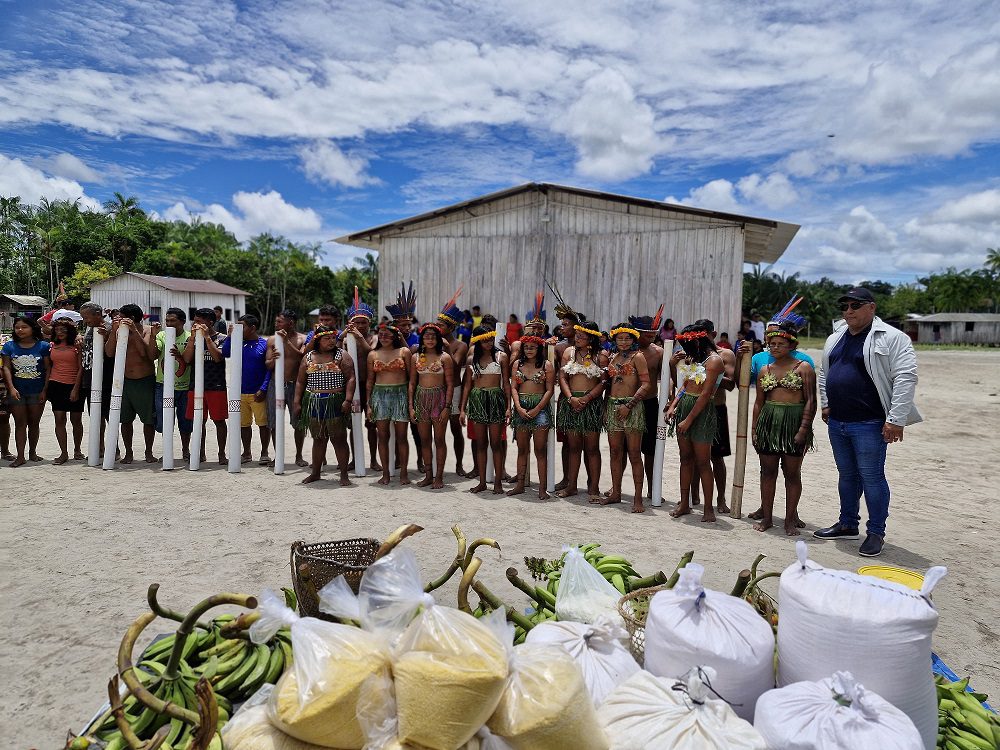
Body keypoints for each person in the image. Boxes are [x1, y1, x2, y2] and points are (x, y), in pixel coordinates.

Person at [815, 287, 921, 557]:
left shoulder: (893, 338)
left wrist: (896, 419)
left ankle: (876, 533)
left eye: (855, 305)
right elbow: (824, 373)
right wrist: (826, 403)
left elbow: (906, 378)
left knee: (872, 476)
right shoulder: (836, 336)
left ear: (871, 307)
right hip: (838, 420)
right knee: (847, 475)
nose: (848, 311)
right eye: (844, 306)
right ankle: (848, 523)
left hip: (870, 422)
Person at [752, 316, 816, 535]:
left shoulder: (804, 368)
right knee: (767, 472)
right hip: (769, 423)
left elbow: (810, 401)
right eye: (772, 344)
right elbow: (759, 402)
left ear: (792, 345)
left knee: (792, 473)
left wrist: (803, 430)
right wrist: (755, 430)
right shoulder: (765, 369)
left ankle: (789, 520)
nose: (775, 347)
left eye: (780, 344)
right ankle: (768, 518)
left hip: (794, 423)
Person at [665, 325, 725, 522]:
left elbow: (706, 394)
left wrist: (688, 419)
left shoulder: (714, 361)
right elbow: (685, 385)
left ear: (698, 342)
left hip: (701, 411)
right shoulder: (694, 358)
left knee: (702, 461)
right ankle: (684, 503)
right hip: (685, 406)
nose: (686, 350)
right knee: (685, 458)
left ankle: (709, 508)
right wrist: (674, 405)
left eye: (688, 345)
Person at [294, 326, 355, 486]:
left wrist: (348, 400)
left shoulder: (342, 355)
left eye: (333, 337)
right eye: (326, 338)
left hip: (335, 400)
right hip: (314, 401)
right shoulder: (308, 357)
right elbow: (301, 381)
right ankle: (315, 473)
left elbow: (350, 378)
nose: (331, 341)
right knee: (318, 439)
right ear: (318, 340)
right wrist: (297, 402)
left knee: (339, 439)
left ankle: (343, 475)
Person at [686, 319, 735, 515]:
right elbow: (683, 384)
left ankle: (721, 499)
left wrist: (710, 373)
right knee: (694, 456)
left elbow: (731, 384)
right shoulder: (692, 353)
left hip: (716, 409)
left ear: (712, 334)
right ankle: (694, 495)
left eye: (702, 335)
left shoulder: (725, 355)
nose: (698, 339)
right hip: (693, 409)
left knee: (716, 457)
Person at [602, 324, 652, 513]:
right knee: (615, 452)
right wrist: (607, 408)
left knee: (633, 454)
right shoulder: (612, 357)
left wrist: (629, 405)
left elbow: (646, 384)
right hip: (613, 405)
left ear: (633, 339)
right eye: (620, 338)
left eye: (627, 338)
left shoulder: (638, 357)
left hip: (632, 407)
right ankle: (616, 493)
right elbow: (609, 385)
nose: (623, 342)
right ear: (615, 340)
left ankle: (638, 499)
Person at [556, 318, 607, 500]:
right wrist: (570, 397)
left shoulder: (601, 355)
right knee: (574, 447)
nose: (577, 339)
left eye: (581, 337)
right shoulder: (568, 352)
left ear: (591, 338)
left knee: (592, 448)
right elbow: (562, 377)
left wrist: (586, 398)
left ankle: (594, 487)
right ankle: (572, 486)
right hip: (571, 402)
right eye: (576, 336)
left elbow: (603, 382)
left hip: (591, 403)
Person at [460, 325, 510, 494]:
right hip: (477, 400)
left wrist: (508, 407)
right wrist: (462, 409)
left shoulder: (501, 356)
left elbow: (507, 383)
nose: (488, 343)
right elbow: (467, 386)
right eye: (484, 340)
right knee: (480, 443)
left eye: (490, 339)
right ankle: (482, 481)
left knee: (496, 443)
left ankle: (497, 482)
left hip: (496, 399)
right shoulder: (471, 359)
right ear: (477, 341)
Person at [106, 304, 157, 464]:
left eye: (121, 316)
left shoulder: (147, 330)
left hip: (144, 380)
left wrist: (134, 332)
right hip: (124, 382)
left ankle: (149, 452)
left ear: (131, 318)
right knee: (125, 420)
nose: (118, 319)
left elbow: (147, 355)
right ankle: (129, 453)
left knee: (148, 420)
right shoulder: (118, 330)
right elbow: (109, 352)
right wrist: (114, 332)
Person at [508, 333, 555, 499]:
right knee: (522, 449)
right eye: (526, 347)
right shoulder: (517, 365)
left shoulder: (546, 365)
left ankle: (542, 488)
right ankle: (520, 484)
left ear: (539, 348)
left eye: (533, 347)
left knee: (540, 450)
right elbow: (513, 387)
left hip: (540, 408)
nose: (529, 350)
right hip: (521, 407)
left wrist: (537, 409)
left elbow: (549, 389)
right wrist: (518, 407)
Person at [408, 322, 454, 489]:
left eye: (433, 336)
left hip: (440, 399)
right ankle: (428, 475)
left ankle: (439, 477)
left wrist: (447, 406)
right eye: (426, 336)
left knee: (439, 440)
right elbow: (412, 383)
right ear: (422, 338)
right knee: (425, 440)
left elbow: (450, 384)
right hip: (421, 399)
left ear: (438, 338)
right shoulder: (415, 357)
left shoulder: (445, 358)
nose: (430, 339)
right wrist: (411, 407)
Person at [366, 323, 413, 485]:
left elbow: (411, 378)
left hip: (400, 394)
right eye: (381, 334)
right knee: (383, 436)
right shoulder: (373, 354)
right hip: (379, 396)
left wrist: (410, 402)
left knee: (402, 436)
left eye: (387, 334)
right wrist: (369, 404)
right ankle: (385, 472)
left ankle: (404, 473)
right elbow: (370, 381)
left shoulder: (404, 352)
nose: (384, 337)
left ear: (395, 336)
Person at [222, 314, 271, 465]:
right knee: (243, 425)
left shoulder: (264, 344)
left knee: (263, 424)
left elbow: (270, 369)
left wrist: (263, 388)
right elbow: (225, 353)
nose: (238, 328)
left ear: (252, 328)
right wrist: (230, 336)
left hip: (258, 393)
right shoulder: (237, 343)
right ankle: (247, 452)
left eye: (241, 326)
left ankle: (264, 453)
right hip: (239, 393)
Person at [2, 316, 50, 466]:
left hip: (37, 391)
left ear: (32, 328)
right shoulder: (9, 346)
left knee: (34, 423)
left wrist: (44, 390)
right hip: (17, 391)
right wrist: (11, 388)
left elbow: (48, 368)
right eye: (17, 327)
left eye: (24, 327)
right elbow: (6, 368)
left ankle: (33, 453)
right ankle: (20, 456)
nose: (20, 330)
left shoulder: (43, 346)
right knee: (20, 423)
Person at [182, 308, 228, 464]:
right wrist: (193, 339)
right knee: (198, 421)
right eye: (195, 321)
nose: (196, 325)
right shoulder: (193, 338)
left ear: (210, 322)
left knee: (219, 421)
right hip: (195, 386)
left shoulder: (222, 338)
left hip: (216, 385)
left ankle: (222, 454)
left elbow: (217, 358)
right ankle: (200, 453)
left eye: (199, 322)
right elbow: (187, 359)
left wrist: (207, 338)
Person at [147, 307, 193, 461]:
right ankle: (167, 451)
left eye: (173, 320)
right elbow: (153, 355)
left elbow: (189, 360)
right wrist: (153, 337)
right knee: (163, 421)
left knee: (185, 422)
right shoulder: (161, 335)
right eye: (167, 320)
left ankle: (185, 450)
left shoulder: (189, 337)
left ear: (182, 321)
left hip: (184, 386)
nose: (169, 323)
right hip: (163, 385)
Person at [386, 281, 422, 471]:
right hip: (393, 388)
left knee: (416, 429)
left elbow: (411, 358)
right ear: (395, 325)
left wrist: (401, 338)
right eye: (403, 325)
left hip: (413, 387)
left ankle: (420, 461)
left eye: (409, 324)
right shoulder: (386, 341)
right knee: (395, 428)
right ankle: (397, 460)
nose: (407, 328)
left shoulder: (416, 340)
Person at [630, 309, 665, 502]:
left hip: (650, 403)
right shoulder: (626, 351)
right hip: (628, 404)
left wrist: (668, 399)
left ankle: (652, 488)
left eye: (654, 335)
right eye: (647, 335)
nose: (651, 338)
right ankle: (618, 486)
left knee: (650, 450)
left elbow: (667, 380)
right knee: (627, 447)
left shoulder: (659, 352)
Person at [266, 309, 308, 467]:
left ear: (291, 323)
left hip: (295, 385)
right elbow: (268, 364)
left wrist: (286, 343)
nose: (276, 324)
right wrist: (273, 360)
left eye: (280, 321)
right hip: (275, 385)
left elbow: (302, 358)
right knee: (274, 422)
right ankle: (279, 456)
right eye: (276, 321)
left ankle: (299, 455)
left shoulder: (301, 339)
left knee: (298, 422)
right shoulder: (271, 340)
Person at [343, 295, 380, 472]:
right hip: (351, 386)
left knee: (371, 425)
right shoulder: (346, 339)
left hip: (370, 386)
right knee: (353, 424)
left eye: (363, 323)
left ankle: (373, 460)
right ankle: (354, 459)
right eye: (356, 323)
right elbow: (336, 352)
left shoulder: (373, 339)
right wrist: (345, 336)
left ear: (369, 323)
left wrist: (359, 338)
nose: (360, 326)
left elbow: (372, 354)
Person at [437, 289, 470, 476]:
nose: (438, 327)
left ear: (450, 327)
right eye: (437, 324)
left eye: (441, 325)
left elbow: (455, 364)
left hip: (454, 388)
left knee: (455, 428)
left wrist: (447, 347)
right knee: (436, 429)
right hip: (436, 389)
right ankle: (434, 463)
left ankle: (458, 464)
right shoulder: (432, 343)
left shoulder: (460, 345)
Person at [47, 318, 84, 463]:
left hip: (74, 385)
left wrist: (75, 388)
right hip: (56, 385)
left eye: (63, 329)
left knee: (76, 420)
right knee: (59, 419)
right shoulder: (52, 345)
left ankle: (77, 450)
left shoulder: (76, 345)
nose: (60, 332)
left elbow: (81, 368)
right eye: (57, 329)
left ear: (70, 330)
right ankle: (63, 453)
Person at [79, 301, 114, 457]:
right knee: (95, 416)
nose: (85, 321)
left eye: (87, 317)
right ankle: (99, 447)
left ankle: (113, 449)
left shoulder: (107, 328)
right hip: (90, 378)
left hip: (105, 379)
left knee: (107, 416)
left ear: (98, 315)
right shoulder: (89, 328)